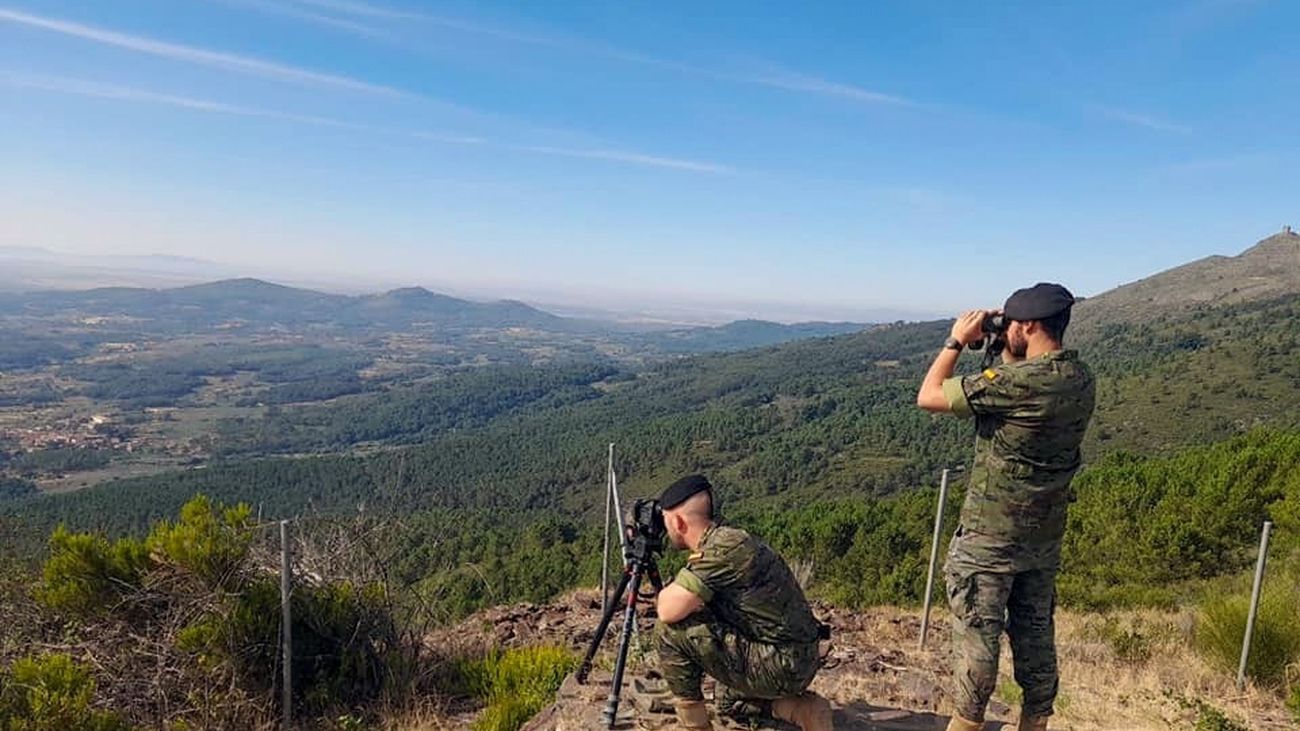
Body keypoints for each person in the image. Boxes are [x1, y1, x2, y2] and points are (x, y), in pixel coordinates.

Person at [916, 283, 1096, 731]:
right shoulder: (1080, 378)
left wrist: (957, 340)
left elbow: (930, 395)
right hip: (1042, 539)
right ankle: (1035, 721)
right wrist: (1002, 344)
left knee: (978, 636)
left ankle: (966, 724)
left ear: (1029, 325)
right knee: (1035, 635)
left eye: (1012, 324)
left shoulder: (1017, 384)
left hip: (989, 539)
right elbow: (1022, 378)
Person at [653, 474, 833, 731]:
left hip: (783, 664)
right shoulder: (729, 537)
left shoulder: (721, 551)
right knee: (727, 701)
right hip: (797, 658)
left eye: (666, 523)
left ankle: (694, 727)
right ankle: (802, 710)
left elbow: (667, 611)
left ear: (679, 522)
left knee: (670, 631)